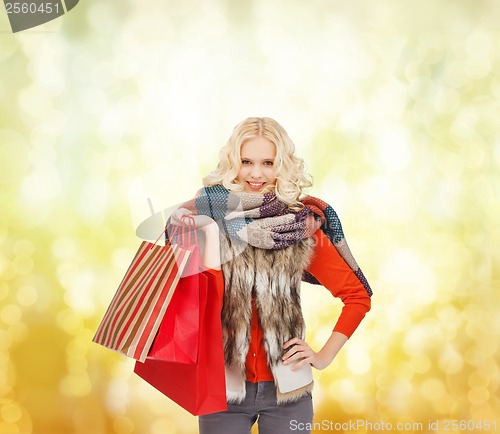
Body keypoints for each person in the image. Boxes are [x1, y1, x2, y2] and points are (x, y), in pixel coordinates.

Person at [171, 117, 372, 434]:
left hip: (288, 392)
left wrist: (322, 357)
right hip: (222, 388)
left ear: (283, 166)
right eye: (246, 161)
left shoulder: (301, 228)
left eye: (268, 163)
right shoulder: (208, 221)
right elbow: (178, 288)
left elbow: (357, 297)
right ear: (232, 163)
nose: (256, 173)